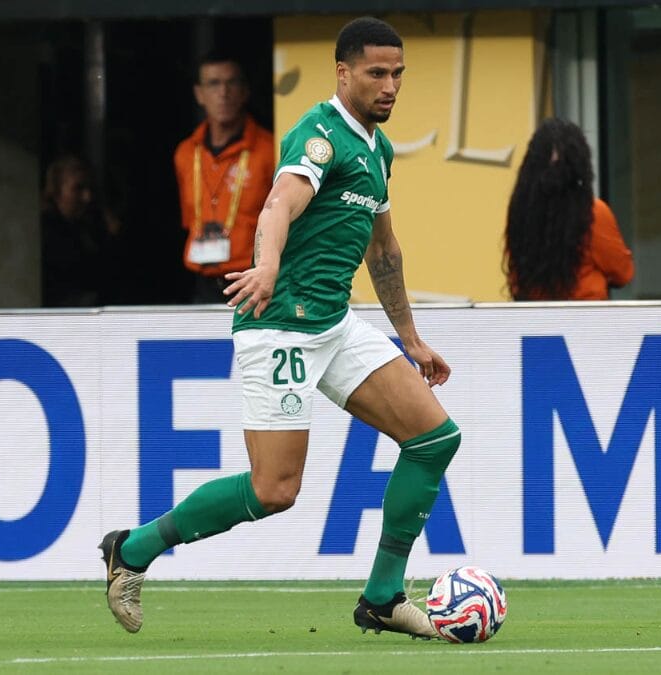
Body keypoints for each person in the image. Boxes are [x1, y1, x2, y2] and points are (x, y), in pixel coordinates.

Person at [100, 17, 454, 641]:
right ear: (343, 73)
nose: (390, 85)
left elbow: (385, 251)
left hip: (335, 324)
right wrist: (265, 266)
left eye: (397, 74)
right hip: (281, 326)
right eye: (376, 73)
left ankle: (382, 597)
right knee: (274, 490)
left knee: (433, 438)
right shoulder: (320, 135)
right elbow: (278, 204)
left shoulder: (378, 149)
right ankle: (132, 549)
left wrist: (411, 337)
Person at [174, 52, 275, 304]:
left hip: (252, 281)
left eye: (232, 83)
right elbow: (188, 220)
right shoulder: (186, 153)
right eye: (214, 83)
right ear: (199, 94)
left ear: (245, 91)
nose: (223, 93)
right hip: (202, 283)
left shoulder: (269, 149)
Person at [505, 118, 634, 300]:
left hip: (536, 322)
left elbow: (517, 281)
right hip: (587, 321)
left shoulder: (522, 211)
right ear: (579, 166)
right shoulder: (593, 212)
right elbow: (623, 273)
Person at [41, 155, 121, 307]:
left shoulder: (90, 228)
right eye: (78, 189)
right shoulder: (45, 232)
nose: (87, 197)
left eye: (90, 189)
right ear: (57, 192)